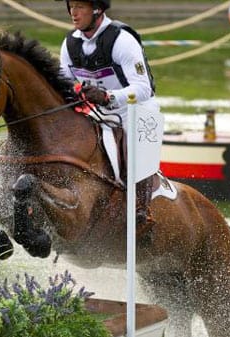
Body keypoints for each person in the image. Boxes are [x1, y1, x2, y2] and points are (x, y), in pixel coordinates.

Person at [57, 0, 160, 228]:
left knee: (130, 146)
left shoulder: (122, 41)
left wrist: (108, 97)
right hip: (98, 114)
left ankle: (142, 210)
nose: (73, 13)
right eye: (71, 6)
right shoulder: (69, 45)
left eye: (80, 6)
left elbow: (143, 88)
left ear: (97, 10)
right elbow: (64, 86)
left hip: (135, 112)